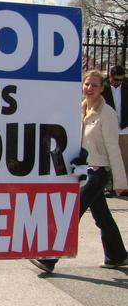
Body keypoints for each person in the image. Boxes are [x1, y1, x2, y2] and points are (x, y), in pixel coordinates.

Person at [30, 69, 128, 273]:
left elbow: (113, 148)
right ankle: (117, 255)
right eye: (87, 84)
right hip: (84, 172)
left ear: (102, 89)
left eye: (94, 85)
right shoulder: (80, 110)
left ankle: (49, 257)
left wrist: (120, 182)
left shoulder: (107, 114)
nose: (89, 88)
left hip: (98, 173)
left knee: (71, 214)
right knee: (102, 217)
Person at [102, 65, 128, 196]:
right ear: (110, 77)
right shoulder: (103, 88)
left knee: (124, 159)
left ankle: (123, 187)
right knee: (107, 159)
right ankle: (107, 187)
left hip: (124, 128)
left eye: (121, 80)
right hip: (107, 127)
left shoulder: (126, 88)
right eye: (116, 80)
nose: (118, 82)